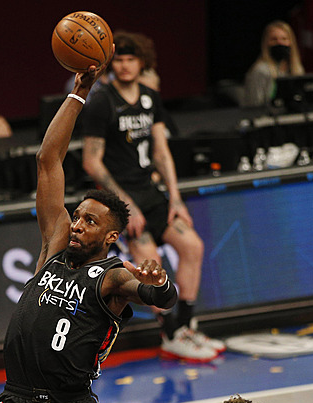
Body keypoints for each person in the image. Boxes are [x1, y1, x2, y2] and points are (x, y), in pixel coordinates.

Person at [0, 60, 178, 403]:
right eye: (76, 216)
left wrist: (162, 281)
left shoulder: (113, 276)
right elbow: (48, 160)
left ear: (111, 235)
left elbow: (162, 299)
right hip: (14, 401)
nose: (76, 224)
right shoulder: (55, 248)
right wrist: (79, 92)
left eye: (89, 221)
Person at [80, 31, 224, 362]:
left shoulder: (149, 97)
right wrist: (125, 203)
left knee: (193, 246)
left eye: (131, 59)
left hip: (152, 192)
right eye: (119, 59)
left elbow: (161, 150)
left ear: (143, 62)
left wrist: (175, 198)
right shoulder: (102, 101)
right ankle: (171, 332)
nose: (125, 65)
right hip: (120, 197)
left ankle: (186, 327)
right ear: (110, 63)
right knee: (150, 265)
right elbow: (91, 161)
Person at [242, 20, 305, 108]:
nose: (280, 43)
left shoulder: (296, 69)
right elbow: (254, 104)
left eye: (284, 39)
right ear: (266, 43)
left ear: (291, 42)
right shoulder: (260, 70)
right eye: (274, 39)